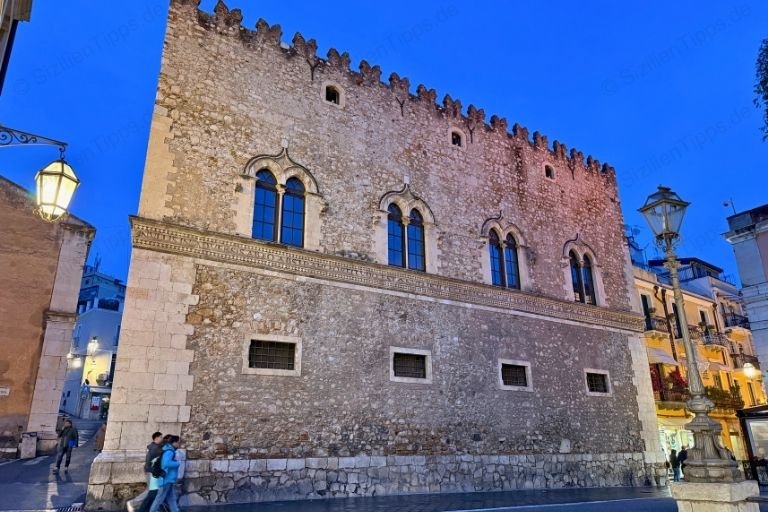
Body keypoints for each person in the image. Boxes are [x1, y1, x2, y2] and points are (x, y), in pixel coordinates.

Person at [130, 432, 165, 512]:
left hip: (151, 472)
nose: (162, 439)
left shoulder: (155, 447)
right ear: (156, 438)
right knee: (152, 493)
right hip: (151, 472)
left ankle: (150, 509)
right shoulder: (155, 449)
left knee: (153, 492)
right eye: (161, 437)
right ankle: (137, 506)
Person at [149, 435, 181, 512]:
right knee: (159, 499)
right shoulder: (169, 451)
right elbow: (166, 463)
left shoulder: (167, 449)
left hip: (168, 479)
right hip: (166, 479)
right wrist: (177, 463)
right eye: (178, 442)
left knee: (171, 499)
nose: (179, 444)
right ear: (174, 442)